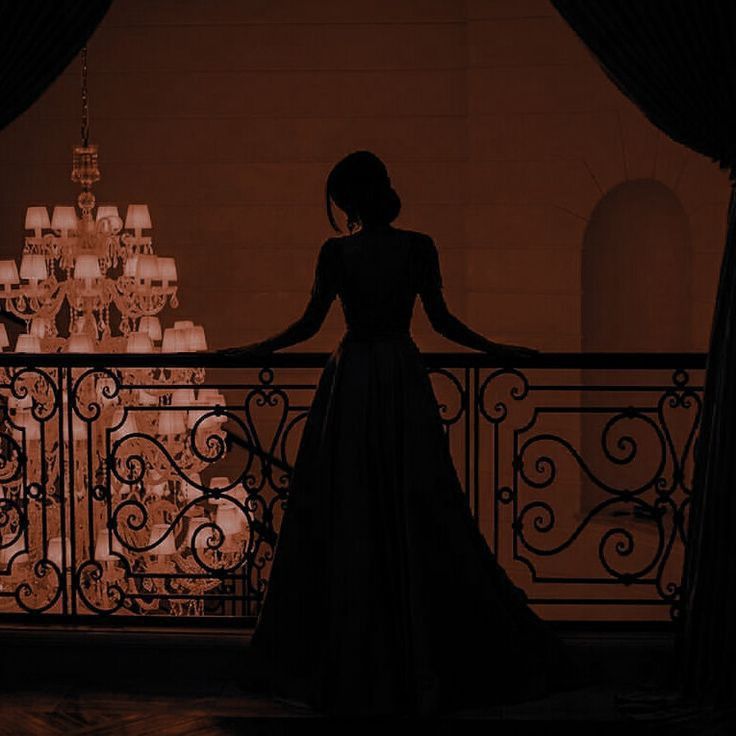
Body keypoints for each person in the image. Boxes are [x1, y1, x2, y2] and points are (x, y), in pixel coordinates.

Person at [220, 150, 581, 716]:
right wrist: (495, 349)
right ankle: (427, 652)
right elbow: (440, 321)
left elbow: (310, 324)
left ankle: (353, 655)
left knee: (350, 508)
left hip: (354, 379)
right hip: (401, 376)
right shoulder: (417, 247)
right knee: (418, 503)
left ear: (348, 202)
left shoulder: (338, 253)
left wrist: (256, 349)